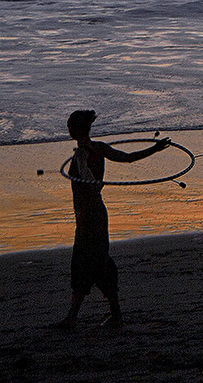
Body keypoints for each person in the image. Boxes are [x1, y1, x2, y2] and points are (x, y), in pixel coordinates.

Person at [55, 109, 169, 329]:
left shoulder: (82, 154)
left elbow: (89, 180)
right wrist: (154, 148)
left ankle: (83, 317)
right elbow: (127, 158)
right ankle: (99, 314)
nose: (68, 129)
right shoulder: (99, 148)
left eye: (70, 126)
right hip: (96, 212)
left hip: (89, 215)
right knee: (95, 260)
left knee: (87, 261)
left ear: (75, 130)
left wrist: (154, 148)